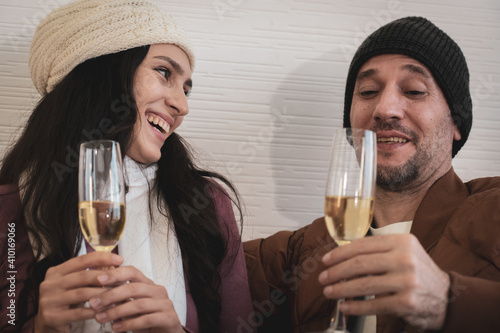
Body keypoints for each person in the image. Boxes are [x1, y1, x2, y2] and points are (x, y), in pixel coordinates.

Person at [0, 0, 254, 332]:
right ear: (103, 72)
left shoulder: (206, 203)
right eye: (164, 72)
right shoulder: (10, 208)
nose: (182, 105)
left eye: (186, 88)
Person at [244, 16, 500, 333]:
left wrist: (446, 302)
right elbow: (196, 265)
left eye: (415, 91)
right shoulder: (303, 251)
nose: (385, 108)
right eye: (367, 91)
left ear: (457, 124)